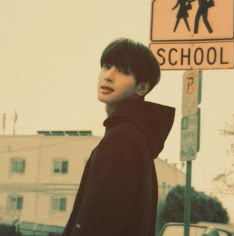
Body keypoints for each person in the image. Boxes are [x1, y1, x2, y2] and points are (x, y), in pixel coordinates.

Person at [62, 38, 175, 236]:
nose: (108, 76)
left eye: (123, 71)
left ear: (142, 88)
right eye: (106, 66)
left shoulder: (122, 140)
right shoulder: (135, 137)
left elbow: (98, 222)